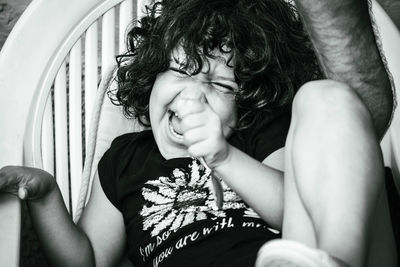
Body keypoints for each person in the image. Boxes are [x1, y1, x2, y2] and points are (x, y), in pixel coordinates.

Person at [0, 0, 397, 266]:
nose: (195, 93)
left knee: (325, 97)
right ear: (149, 79)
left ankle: (336, 261)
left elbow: (297, 204)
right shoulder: (124, 160)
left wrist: (223, 156)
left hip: (290, 255)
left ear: (246, 105)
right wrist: (48, 195)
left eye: (222, 86)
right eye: (178, 70)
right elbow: (88, 259)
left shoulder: (254, 137)